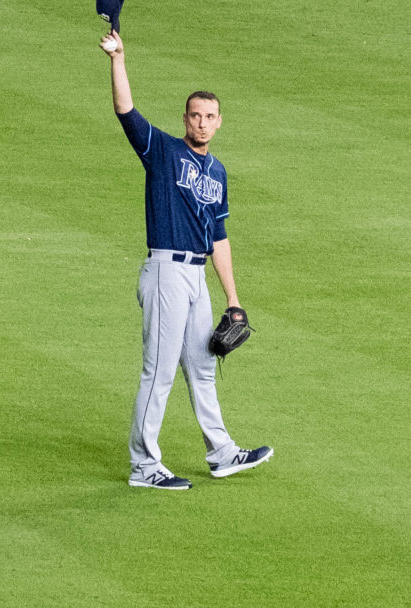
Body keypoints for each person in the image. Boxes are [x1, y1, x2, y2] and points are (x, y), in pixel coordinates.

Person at [100, 28, 273, 490]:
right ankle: (144, 466)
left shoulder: (217, 171)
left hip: (195, 277)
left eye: (209, 116)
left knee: (201, 367)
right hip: (165, 272)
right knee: (158, 372)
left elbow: (219, 237)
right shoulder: (162, 151)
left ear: (219, 123)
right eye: (195, 115)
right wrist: (118, 58)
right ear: (185, 119)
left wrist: (233, 299)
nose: (201, 122)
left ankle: (221, 453)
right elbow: (126, 112)